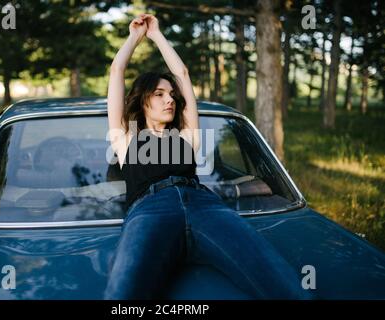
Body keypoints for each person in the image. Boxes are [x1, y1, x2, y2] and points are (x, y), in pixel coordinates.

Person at [105, 13, 310, 300]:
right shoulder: (126, 139)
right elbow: (117, 72)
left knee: (284, 284)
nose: (170, 99)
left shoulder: (188, 136)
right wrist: (135, 37)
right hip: (150, 210)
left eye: (172, 95)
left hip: (206, 207)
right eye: (159, 94)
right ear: (142, 100)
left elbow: (183, 75)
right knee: (123, 294)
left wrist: (157, 36)